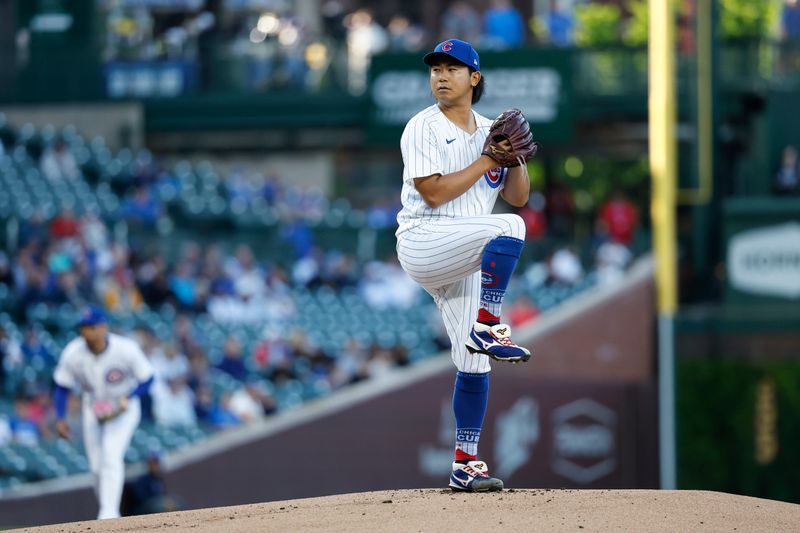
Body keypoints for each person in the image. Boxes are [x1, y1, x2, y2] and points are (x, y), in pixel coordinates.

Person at [395, 39, 536, 493]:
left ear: (474, 78)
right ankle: (489, 323)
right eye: (435, 68)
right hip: (424, 239)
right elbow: (434, 193)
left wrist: (511, 159)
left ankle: (464, 464)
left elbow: (518, 195)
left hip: (467, 252)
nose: (440, 75)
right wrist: (486, 159)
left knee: (473, 365)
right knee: (510, 228)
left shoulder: (491, 131)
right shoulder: (423, 126)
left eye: (452, 68)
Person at [52, 305, 154, 519]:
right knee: (97, 467)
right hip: (93, 407)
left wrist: (131, 395)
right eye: (84, 327)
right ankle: (108, 512)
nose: (87, 331)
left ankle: (108, 514)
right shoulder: (73, 352)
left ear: (103, 327)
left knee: (111, 455)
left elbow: (147, 378)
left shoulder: (125, 348)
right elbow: (62, 387)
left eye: (91, 326)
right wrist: (60, 417)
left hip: (123, 407)